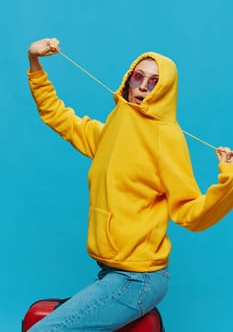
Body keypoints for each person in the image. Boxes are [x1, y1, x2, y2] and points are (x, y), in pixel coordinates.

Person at [27, 38, 233, 332]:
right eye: (139, 76)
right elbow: (59, 117)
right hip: (112, 273)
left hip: (138, 280)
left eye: (155, 81)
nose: (144, 86)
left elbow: (191, 213)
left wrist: (230, 180)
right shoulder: (117, 125)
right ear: (128, 79)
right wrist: (35, 63)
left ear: (165, 90)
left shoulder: (166, 138)